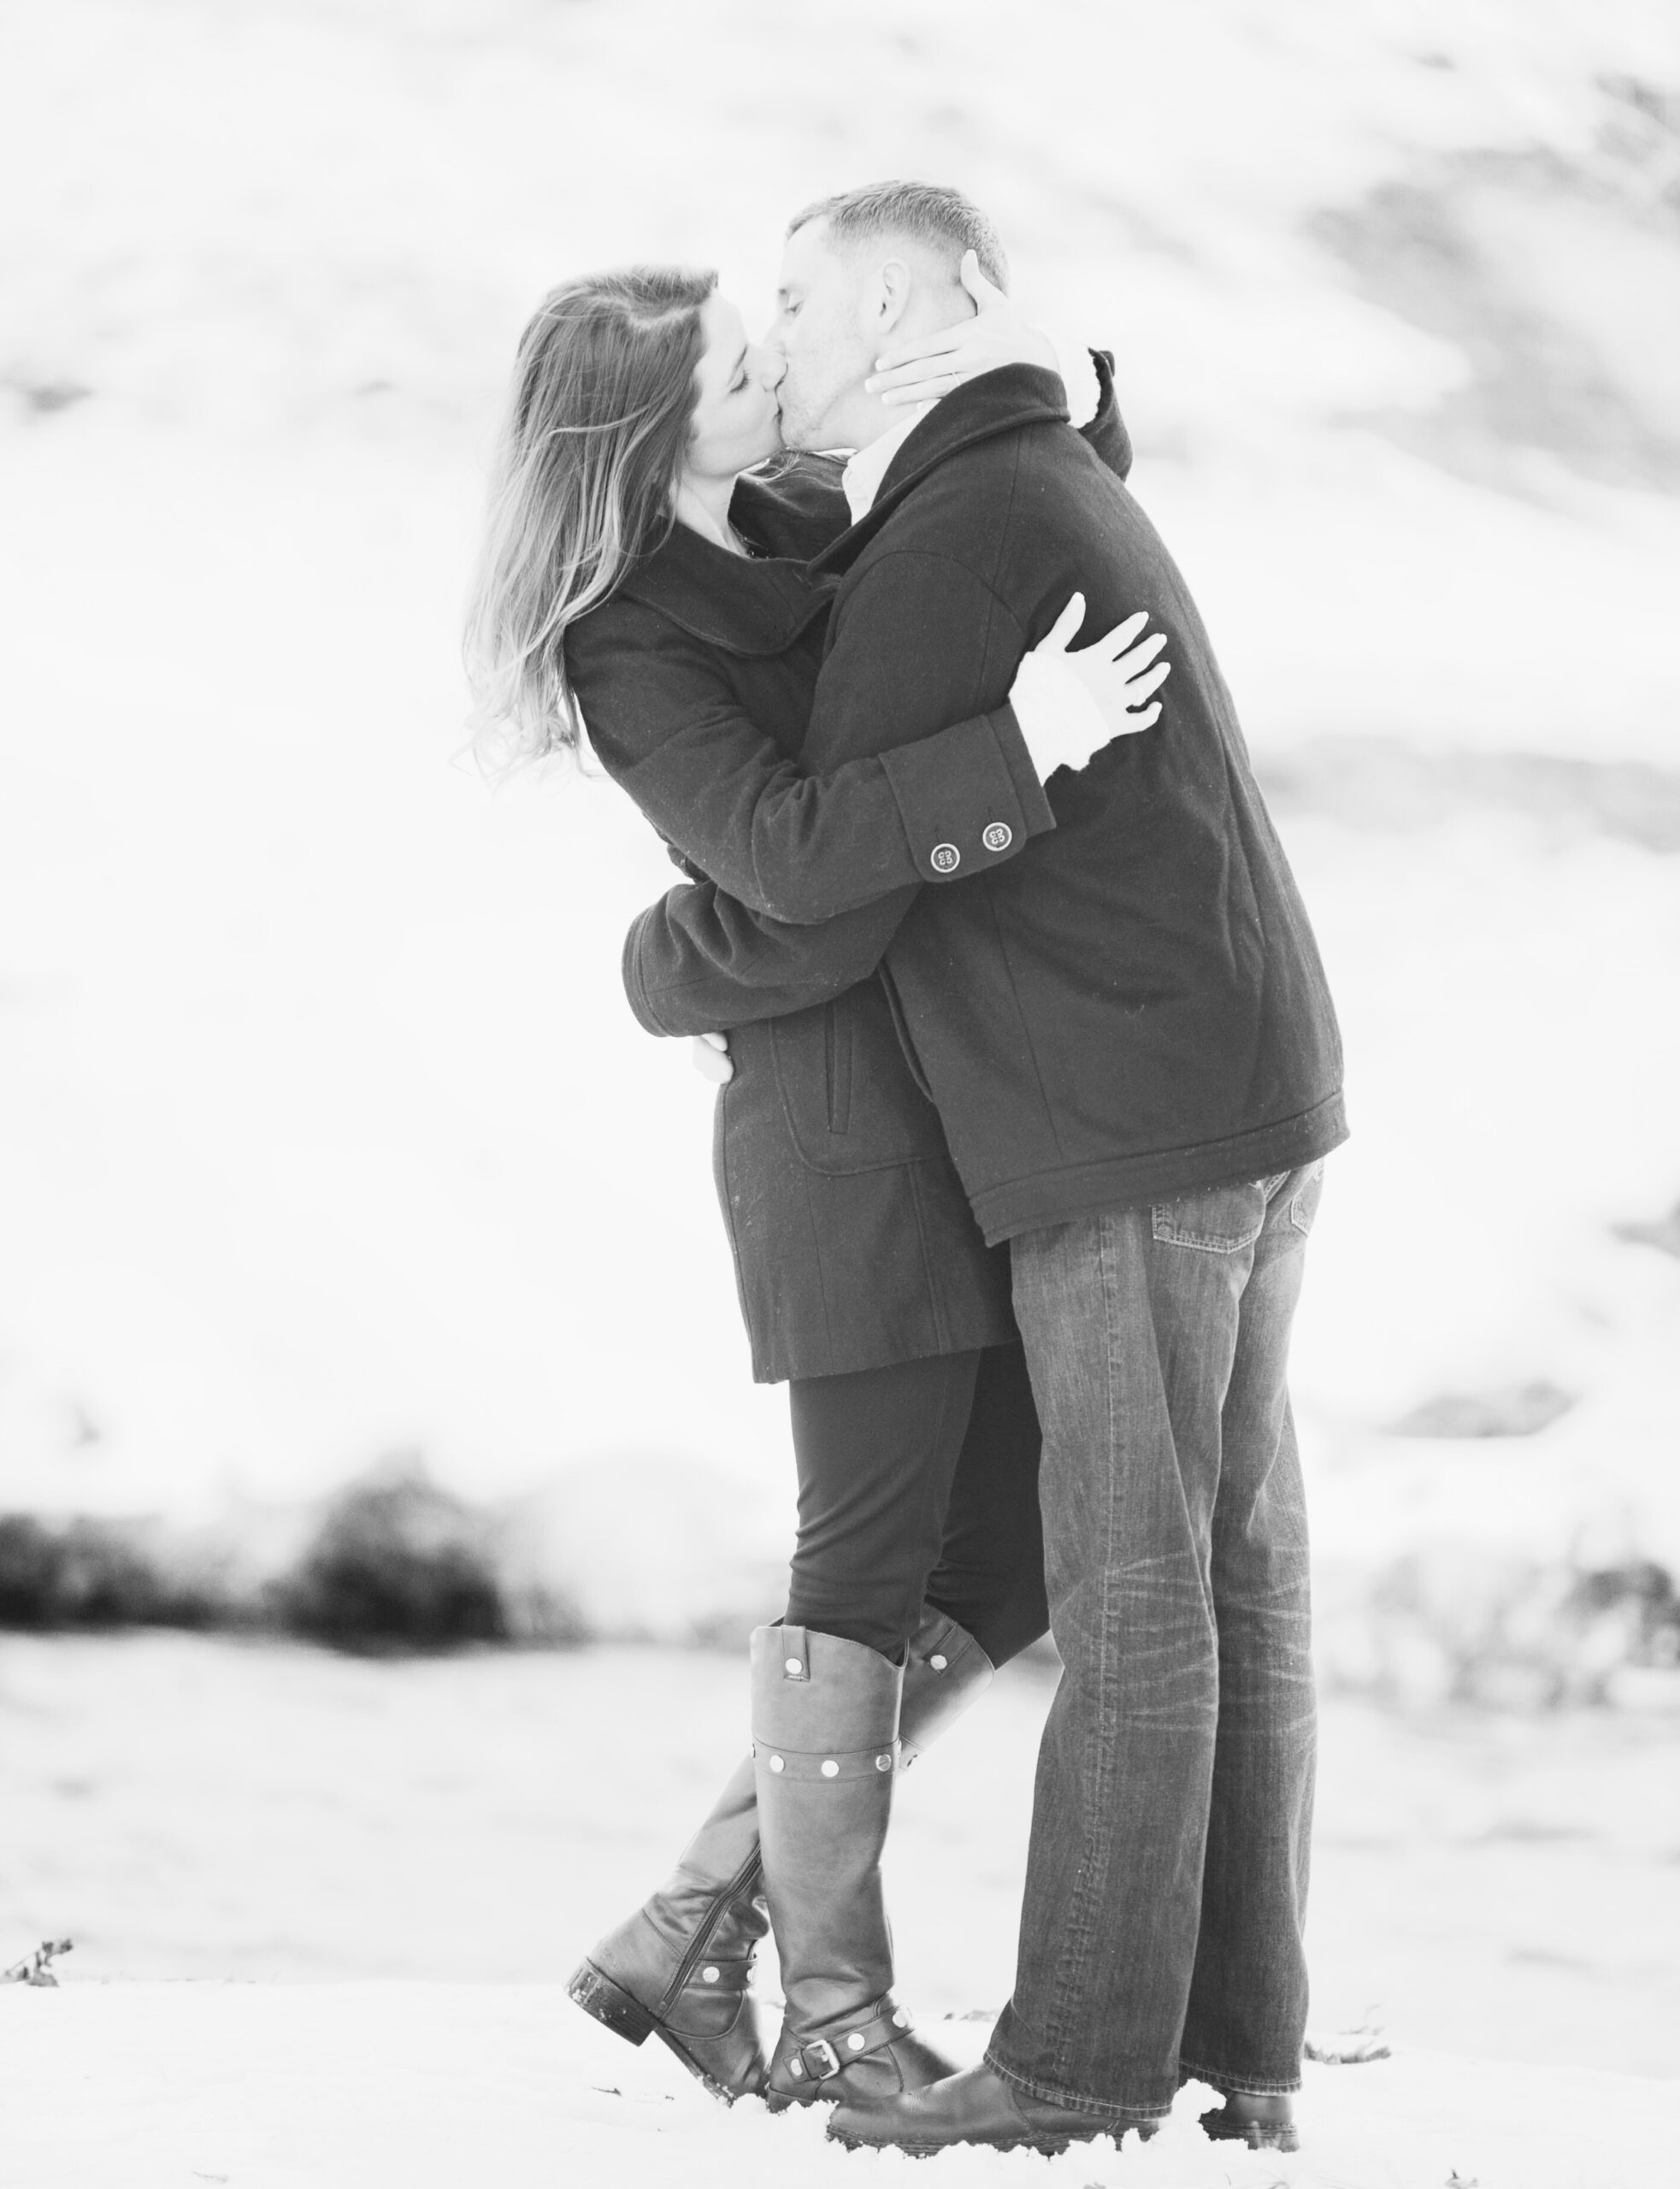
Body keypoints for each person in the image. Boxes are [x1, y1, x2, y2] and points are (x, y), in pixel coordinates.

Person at [619, 180, 1347, 2157]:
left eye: (793, 303)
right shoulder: (1010, 471)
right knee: (1228, 1579)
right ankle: (1234, 2045)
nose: (777, 339)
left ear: (882, 309)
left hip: (1125, 1121)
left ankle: (1077, 2066)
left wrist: (657, 959)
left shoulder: (953, 525)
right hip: (1245, 1086)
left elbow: (816, 883)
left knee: (1133, 1591)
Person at [463, 261, 1169, 2110]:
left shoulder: (809, 513)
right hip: (839, 1142)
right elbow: (795, 863)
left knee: (1008, 1551)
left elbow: (977, 539)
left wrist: (1063, 383)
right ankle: (826, 2009)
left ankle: (696, 1916)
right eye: (745, 362)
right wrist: (1012, 755)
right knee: (857, 1561)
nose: (787, 366)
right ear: (651, 425)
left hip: (969, 1104)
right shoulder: (627, 639)